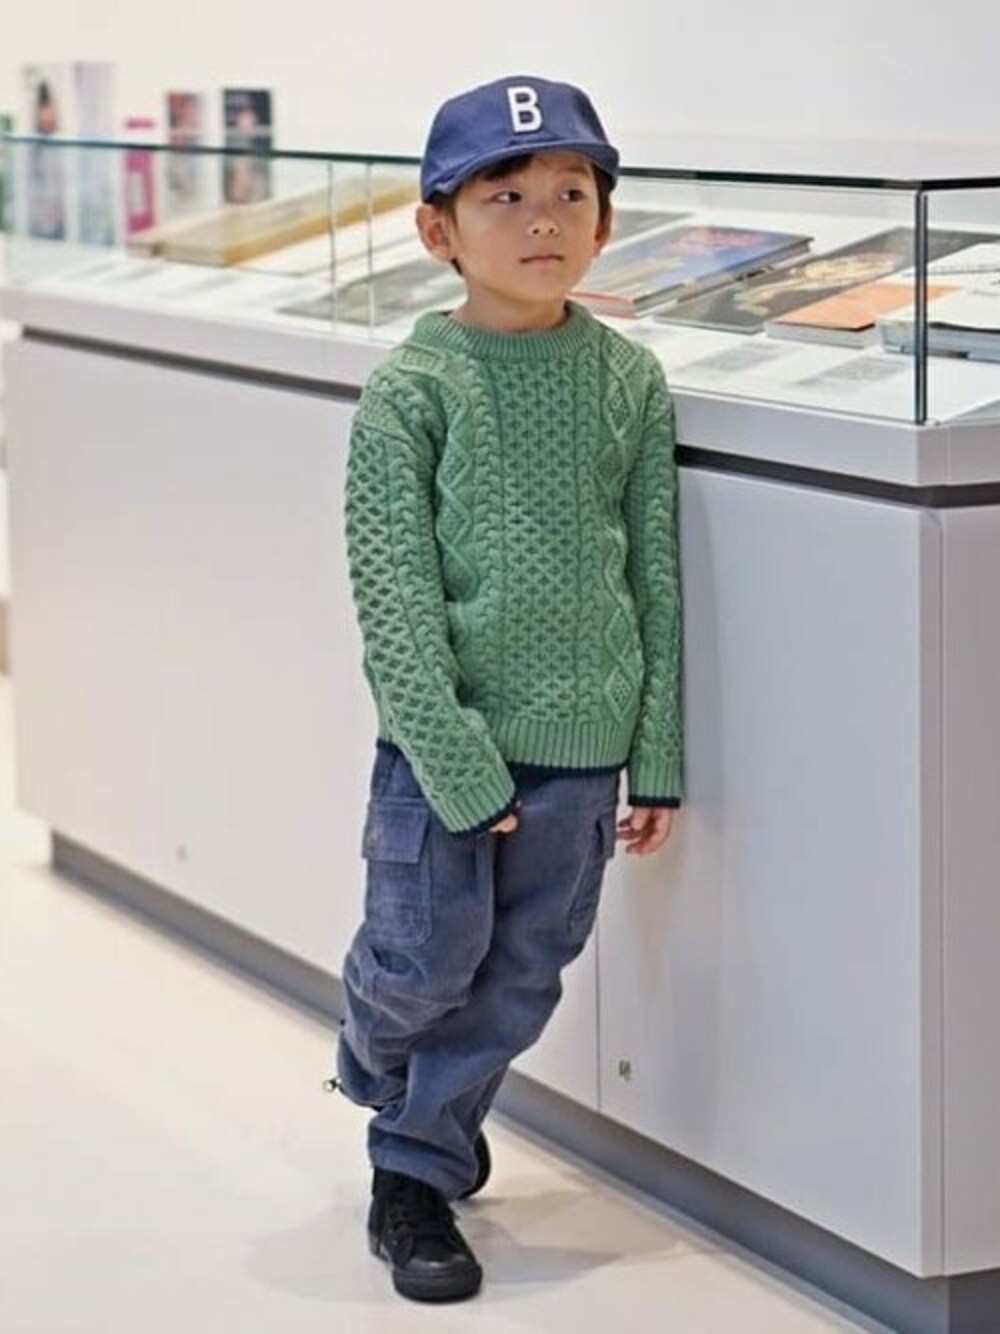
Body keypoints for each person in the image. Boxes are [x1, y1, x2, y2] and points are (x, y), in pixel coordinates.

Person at [330, 73, 683, 1303]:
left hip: (584, 748)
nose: (543, 219)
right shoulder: (410, 392)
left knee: (523, 973)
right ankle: (379, 1059)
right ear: (438, 230)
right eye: (506, 196)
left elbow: (654, 577)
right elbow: (394, 605)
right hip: (443, 751)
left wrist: (657, 754)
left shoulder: (628, 381)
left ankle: (414, 1163)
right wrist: (456, 762)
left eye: (571, 195)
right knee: (424, 963)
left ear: (605, 222)